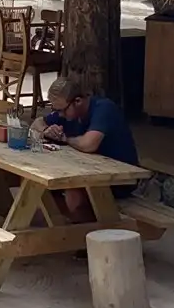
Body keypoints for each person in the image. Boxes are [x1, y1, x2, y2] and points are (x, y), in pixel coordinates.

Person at [31, 77, 140, 221]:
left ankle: (82, 232)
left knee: (73, 192)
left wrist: (65, 139)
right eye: (56, 110)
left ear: (78, 101)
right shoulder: (67, 112)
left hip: (121, 179)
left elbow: (89, 144)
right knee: (44, 185)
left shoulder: (104, 109)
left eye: (62, 110)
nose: (60, 115)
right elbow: (36, 123)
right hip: (89, 171)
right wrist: (46, 130)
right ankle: (63, 225)